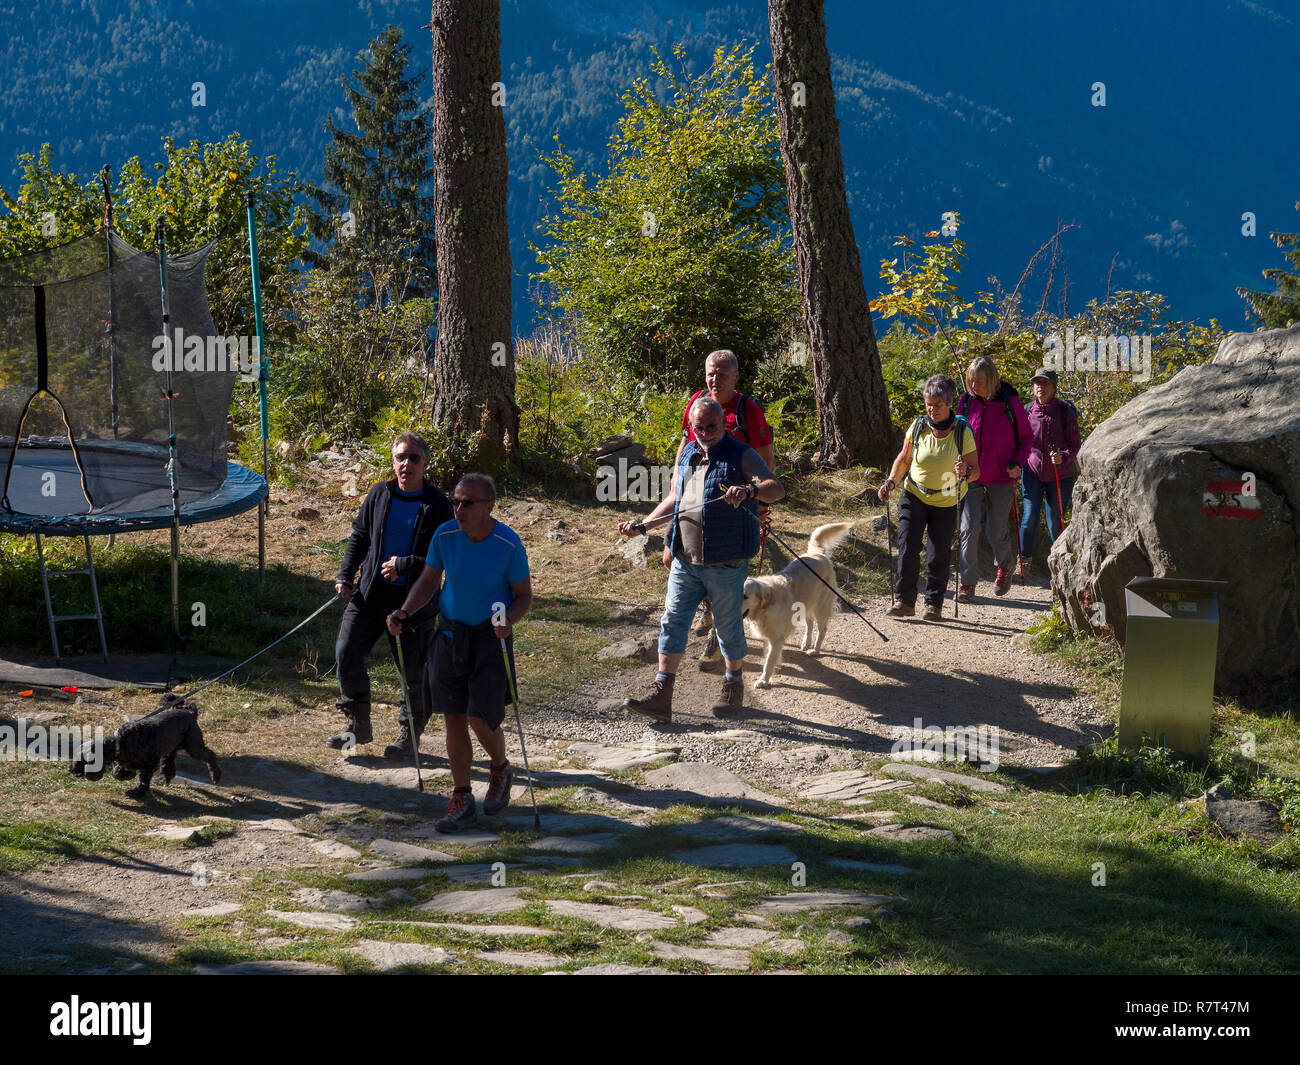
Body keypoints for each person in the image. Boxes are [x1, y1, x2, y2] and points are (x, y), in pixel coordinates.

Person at [618, 396, 784, 722]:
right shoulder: (688, 455)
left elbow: (775, 489)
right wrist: (644, 526)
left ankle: (733, 683)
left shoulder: (741, 453)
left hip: (726, 561)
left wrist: (749, 491)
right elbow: (675, 500)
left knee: (727, 625)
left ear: (724, 424)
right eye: (699, 427)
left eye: (712, 426)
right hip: (685, 559)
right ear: (691, 428)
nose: (706, 432)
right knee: (673, 621)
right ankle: (661, 694)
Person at [386, 473, 532, 833]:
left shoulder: (508, 543)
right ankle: (461, 796)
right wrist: (405, 611)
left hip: (489, 636)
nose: (459, 509)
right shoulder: (445, 534)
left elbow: (524, 595)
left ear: (489, 507)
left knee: (480, 718)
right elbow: (429, 580)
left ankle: (500, 767)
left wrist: (509, 620)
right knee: (453, 716)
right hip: (450, 634)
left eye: (468, 503)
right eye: (456, 501)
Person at [330, 433, 453, 756]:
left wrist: (404, 564)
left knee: (413, 672)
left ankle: (408, 735)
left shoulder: (438, 505)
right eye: (401, 457)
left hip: (415, 601)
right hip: (370, 593)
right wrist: (345, 575)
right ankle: (358, 725)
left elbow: (443, 556)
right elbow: (360, 536)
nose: (406, 464)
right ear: (393, 461)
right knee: (346, 651)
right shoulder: (379, 493)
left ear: (425, 463)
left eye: (414, 458)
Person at [673, 348, 776, 668]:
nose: (714, 378)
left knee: (728, 576)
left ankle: (718, 643)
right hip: (694, 506)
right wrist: (676, 489)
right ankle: (709, 609)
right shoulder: (697, 403)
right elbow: (684, 447)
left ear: (735, 376)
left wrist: (757, 499)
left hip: (736, 511)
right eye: (710, 373)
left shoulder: (748, 410)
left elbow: (765, 459)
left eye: (721, 373)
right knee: (689, 562)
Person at [877, 375, 980, 621]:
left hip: (946, 501)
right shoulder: (919, 425)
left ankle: (933, 604)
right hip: (915, 494)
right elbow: (904, 458)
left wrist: (965, 471)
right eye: (928, 404)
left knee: (938, 553)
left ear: (949, 403)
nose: (932, 410)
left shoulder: (962, 432)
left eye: (937, 405)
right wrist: (891, 481)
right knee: (907, 545)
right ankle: (904, 601)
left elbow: (977, 471)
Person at [955, 356, 1031, 599]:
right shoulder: (967, 402)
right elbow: (955, 436)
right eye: (970, 381)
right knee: (968, 528)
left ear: (992, 380)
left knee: (995, 531)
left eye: (979, 381)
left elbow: (1027, 437)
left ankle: (1005, 564)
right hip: (971, 475)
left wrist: (1018, 463)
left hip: (1001, 475)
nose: (974, 386)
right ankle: (967, 583)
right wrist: (957, 460)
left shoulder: (1009, 400)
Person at [1020, 367, 1081, 572]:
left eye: (1045, 383)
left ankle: (1060, 565)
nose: (1040, 387)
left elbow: (1075, 444)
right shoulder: (1027, 410)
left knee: (1055, 522)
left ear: (1054, 388)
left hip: (1060, 475)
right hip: (1032, 472)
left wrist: (1063, 456)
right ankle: (1025, 562)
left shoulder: (1065, 412)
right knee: (1029, 519)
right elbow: (1019, 442)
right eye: (1037, 383)